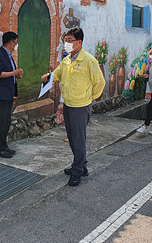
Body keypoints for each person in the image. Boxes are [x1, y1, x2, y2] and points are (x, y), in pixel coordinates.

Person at [41, 27, 105, 186]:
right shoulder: (67, 59)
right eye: (66, 40)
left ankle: (77, 171)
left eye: (70, 41)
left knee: (78, 139)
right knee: (72, 138)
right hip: (68, 104)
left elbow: (100, 83)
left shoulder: (89, 60)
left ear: (79, 42)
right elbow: (57, 74)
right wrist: (48, 77)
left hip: (81, 106)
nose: (66, 43)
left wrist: (89, 98)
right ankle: (81, 166)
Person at [0, 31, 23, 158]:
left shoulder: (8, 55)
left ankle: (4, 146)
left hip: (8, 92)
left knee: (7, 121)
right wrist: (14, 73)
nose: (16, 45)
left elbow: (8, 73)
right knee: (2, 121)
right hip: (0, 93)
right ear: (10, 42)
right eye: (15, 42)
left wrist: (16, 75)